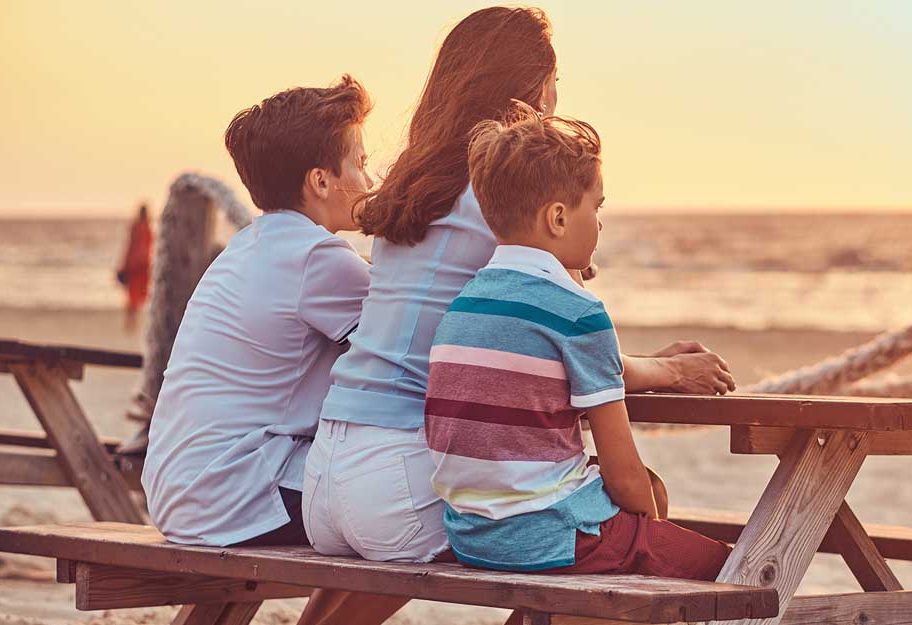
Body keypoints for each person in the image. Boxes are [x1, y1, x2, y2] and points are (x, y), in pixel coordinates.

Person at [303, 5, 735, 583]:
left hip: (331, 461)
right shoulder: (496, 197)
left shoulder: (414, 184)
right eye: (555, 86)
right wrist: (670, 373)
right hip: (405, 469)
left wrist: (646, 363)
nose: (556, 105)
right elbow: (555, 346)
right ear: (532, 90)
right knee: (530, 526)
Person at [426, 103, 731, 583]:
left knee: (652, 498)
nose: (602, 223)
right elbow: (624, 473)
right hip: (549, 534)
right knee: (737, 571)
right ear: (558, 218)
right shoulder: (577, 313)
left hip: (471, 535)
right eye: (598, 206)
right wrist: (647, 551)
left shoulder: (465, 304)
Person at [140, 76, 395, 625]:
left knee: (386, 502)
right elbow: (414, 338)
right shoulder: (317, 258)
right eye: (362, 161)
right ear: (322, 181)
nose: (371, 178)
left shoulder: (251, 246)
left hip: (184, 488)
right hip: (236, 490)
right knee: (410, 516)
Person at [116, 203, 153, 332]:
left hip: (139, 265)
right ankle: (131, 323)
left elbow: (132, 247)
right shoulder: (142, 227)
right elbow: (134, 247)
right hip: (138, 265)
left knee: (137, 295)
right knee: (135, 295)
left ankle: (132, 323)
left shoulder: (142, 227)